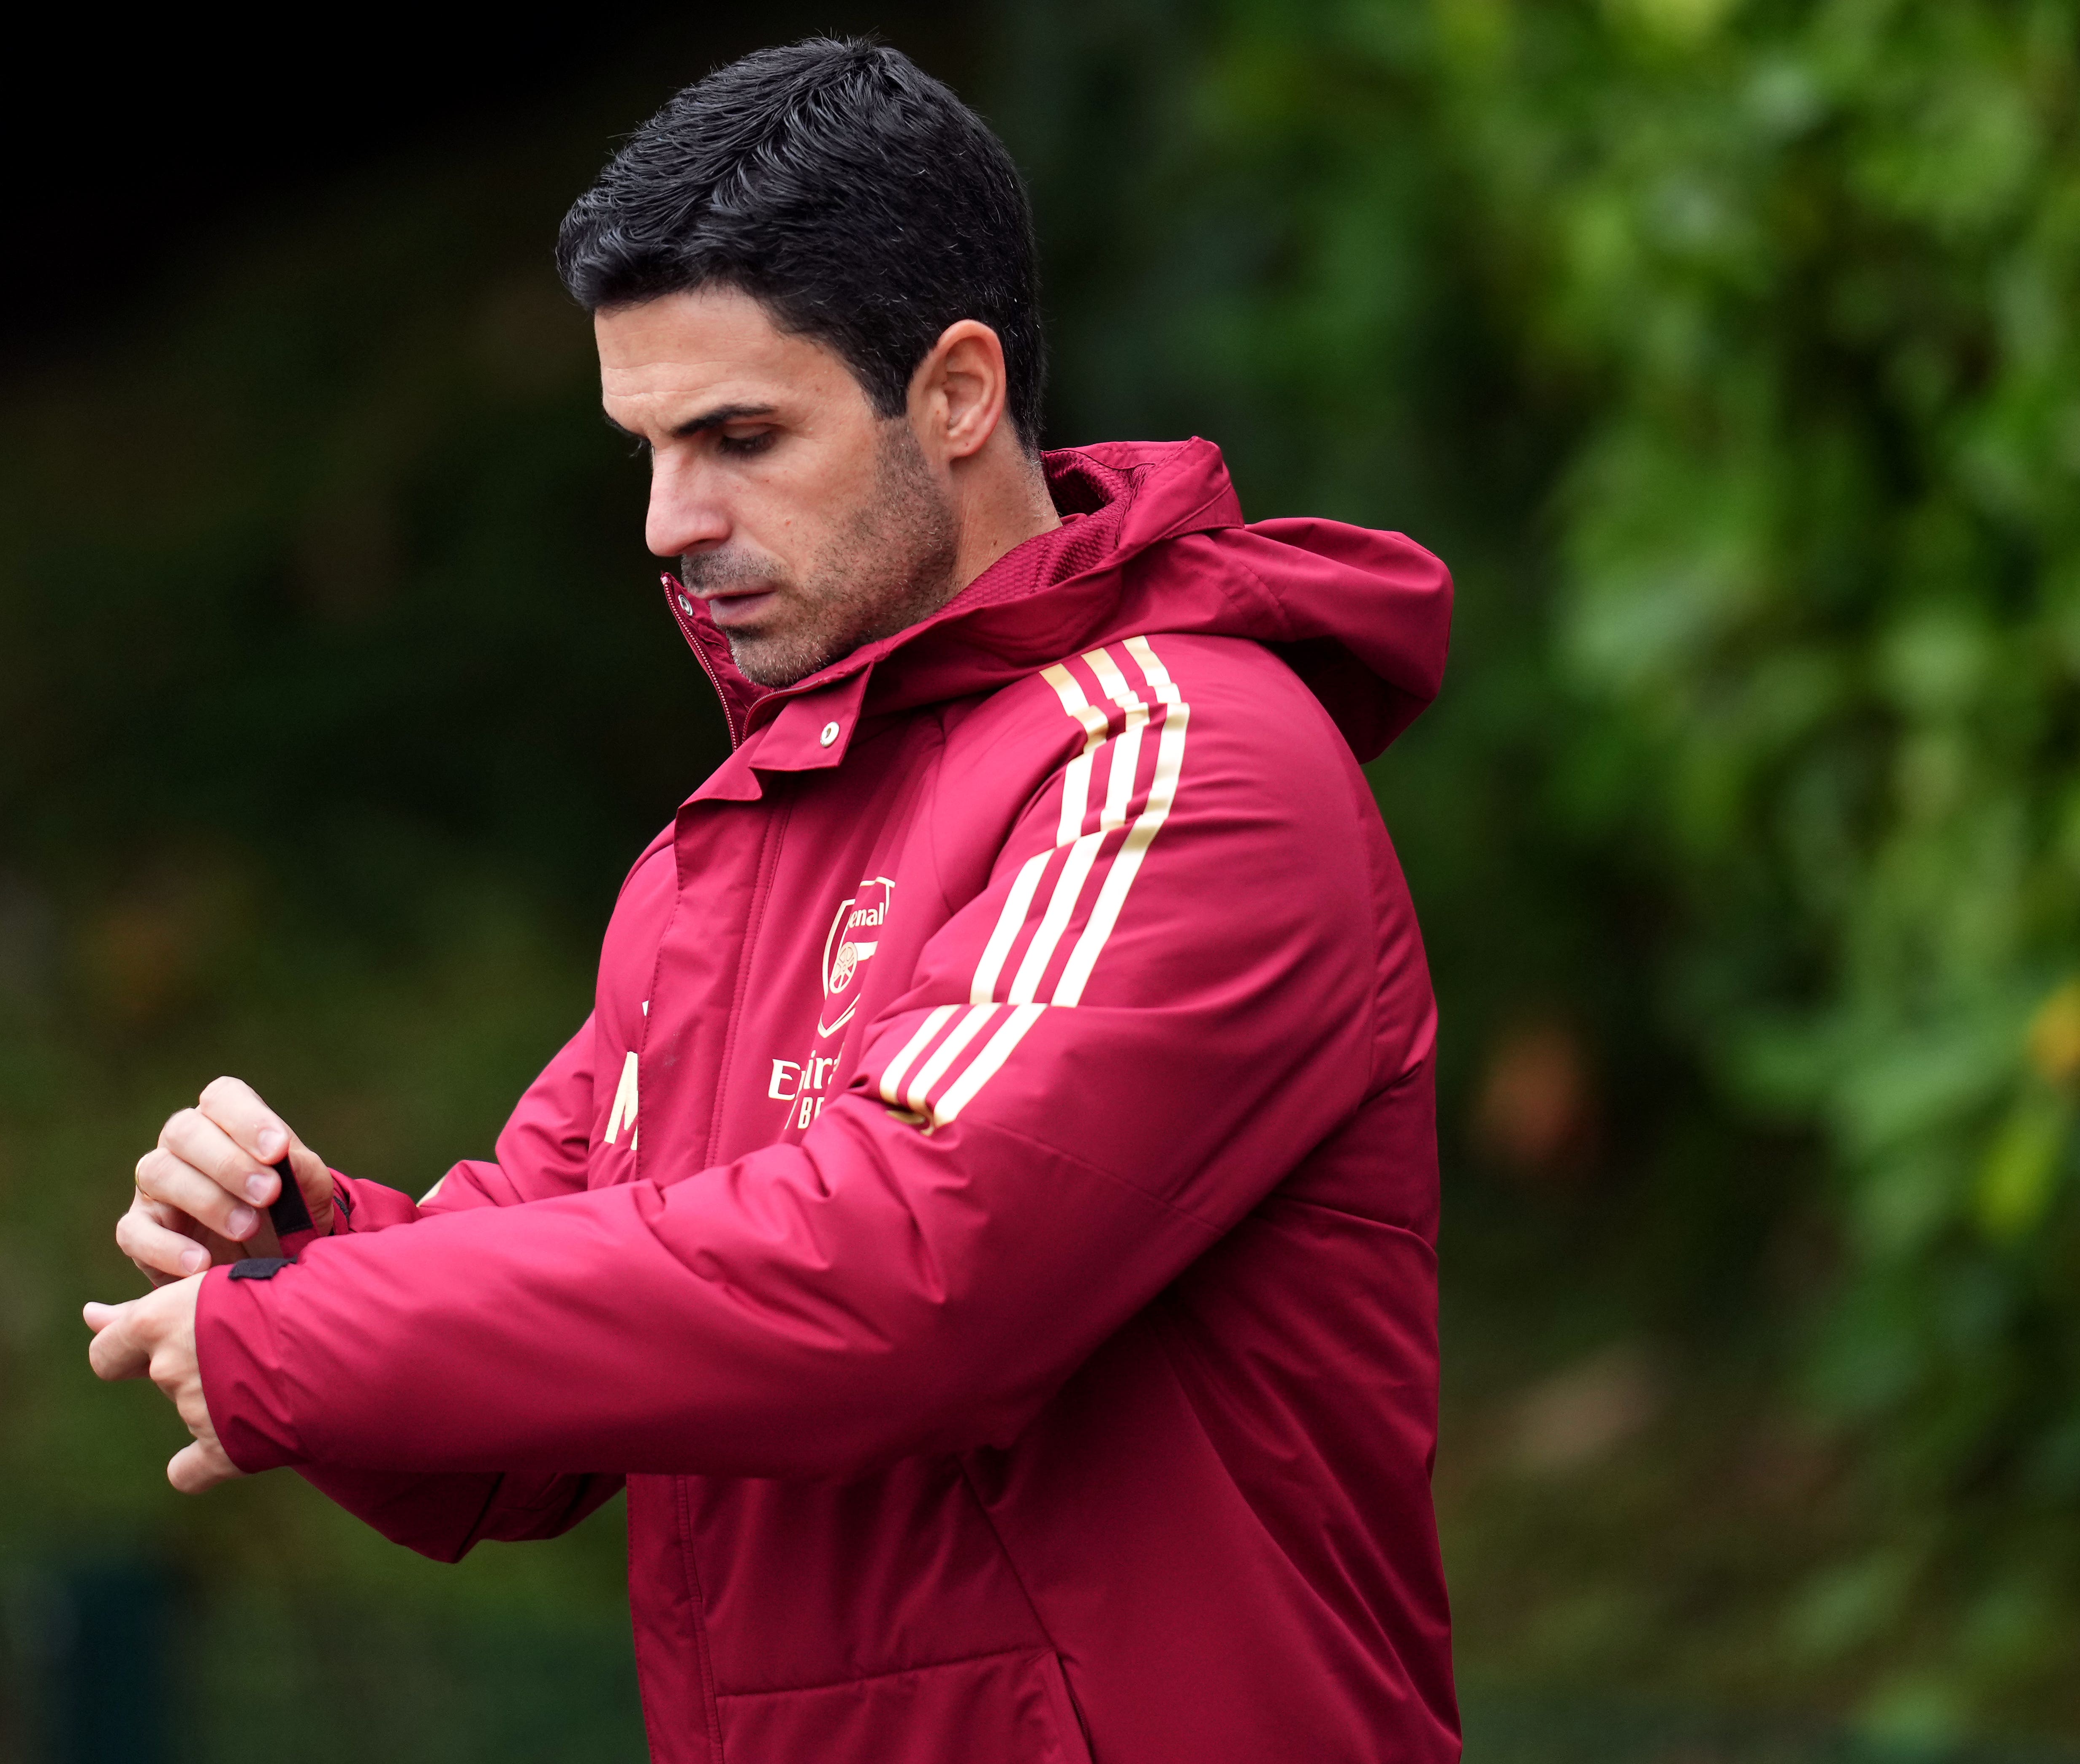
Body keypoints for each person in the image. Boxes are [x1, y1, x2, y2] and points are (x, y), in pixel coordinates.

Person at [85, 37, 1458, 1763]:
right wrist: (312, 1251)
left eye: (739, 436)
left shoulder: (1185, 758)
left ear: (956, 393)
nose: (669, 522)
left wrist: (315, 1339)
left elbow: (910, 1273)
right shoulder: (725, 845)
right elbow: (528, 1427)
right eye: (646, 448)